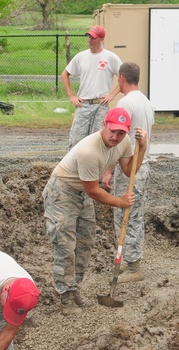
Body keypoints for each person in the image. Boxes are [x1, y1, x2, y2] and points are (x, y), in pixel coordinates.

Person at [42, 107, 146, 314]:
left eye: (121, 133)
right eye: (113, 131)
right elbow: (94, 191)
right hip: (62, 192)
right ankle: (65, 297)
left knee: (85, 243)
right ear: (104, 125)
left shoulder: (123, 142)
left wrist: (141, 147)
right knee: (65, 245)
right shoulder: (89, 151)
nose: (116, 137)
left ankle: (74, 288)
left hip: (82, 192)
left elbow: (128, 170)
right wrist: (120, 201)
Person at [104, 62, 155, 284]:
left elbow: (119, 137)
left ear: (121, 78)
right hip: (142, 163)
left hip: (131, 167)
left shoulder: (125, 103)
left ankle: (134, 267)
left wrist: (109, 169)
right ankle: (131, 260)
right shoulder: (146, 101)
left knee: (126, 215)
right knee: (134, 214)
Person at [62, 25, 123, 147]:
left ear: (101, 39)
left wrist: (112, 94)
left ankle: (98, 165)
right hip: (83, 104)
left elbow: (124, 77)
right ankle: (74, 165)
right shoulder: (81, 57)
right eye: (89, 37)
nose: (89, 40)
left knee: (99, 141)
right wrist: (71, 95)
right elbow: (65, 74)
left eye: (93, 38)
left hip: (100, 105)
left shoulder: (111, 57)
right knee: (76, 141)